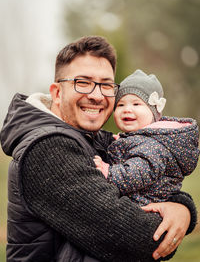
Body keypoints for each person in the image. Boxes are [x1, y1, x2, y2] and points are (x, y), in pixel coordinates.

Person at [0, 36, 197, 262]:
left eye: (106, 85)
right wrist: (178, 216)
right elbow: (140, 238)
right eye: (82, 82)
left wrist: (181, 208)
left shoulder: (93, 140)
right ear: (56, 92)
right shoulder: (47, 148)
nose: (96, 95)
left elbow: (156, 182)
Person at [94, 69, 199, 207]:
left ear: (154, 113)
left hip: (144, 204)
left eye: (136, 104)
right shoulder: (143, 140)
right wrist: (120, 142)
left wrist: (109, 171)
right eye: (120, 105)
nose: (127, 109)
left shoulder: (153, 146)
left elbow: (138, 173)